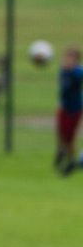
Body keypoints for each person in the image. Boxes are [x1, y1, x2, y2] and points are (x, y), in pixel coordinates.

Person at [54, 46, 83, 175]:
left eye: (72, 58)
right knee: (61, 134)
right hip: (64, 107)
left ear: (76, 60)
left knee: (70, 138)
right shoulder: (63, 71)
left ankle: (71, 161)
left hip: (75, 109)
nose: (68, 60)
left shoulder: (78, 72)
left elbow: (78, 75)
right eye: (67, 57)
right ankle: (61, 151)